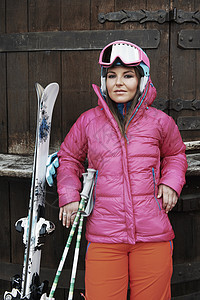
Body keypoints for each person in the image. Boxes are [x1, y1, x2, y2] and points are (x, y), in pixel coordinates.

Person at [50, 40, 188, 299]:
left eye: (128, 76)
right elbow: (68, 158)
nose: (119, 82)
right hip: (104, 235)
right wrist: (69, 196)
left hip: (152, 233)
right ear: (104, 82)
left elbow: (175, 154)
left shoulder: (160, 122)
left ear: (142, 80)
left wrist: (171, 182)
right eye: (111, 76)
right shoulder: (88, 121)